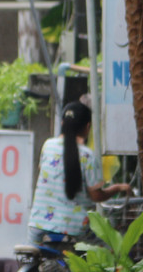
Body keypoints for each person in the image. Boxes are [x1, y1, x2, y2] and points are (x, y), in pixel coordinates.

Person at [27, 101, 133, 247]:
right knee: (111, 249)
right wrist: (118, 188)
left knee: (34, 260)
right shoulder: (88, 156)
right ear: (87, 127)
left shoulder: (48, 145)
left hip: (37, 226)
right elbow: (96, 196)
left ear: (63, 122)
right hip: (73, 230)